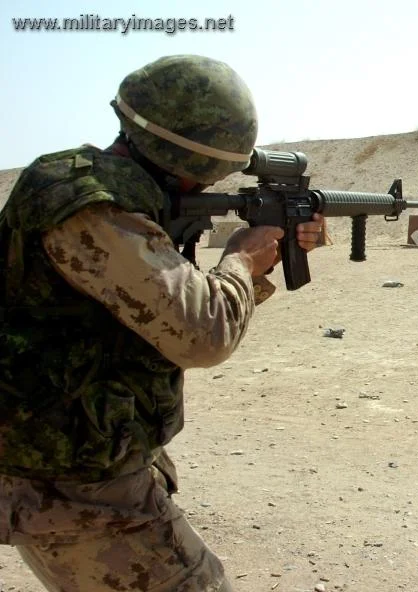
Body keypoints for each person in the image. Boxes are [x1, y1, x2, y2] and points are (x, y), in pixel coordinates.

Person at [0, 54, 324, 591]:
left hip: (69, 460)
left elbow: (157, 309)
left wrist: (265, 260)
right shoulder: (97, 208)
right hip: (71, 482)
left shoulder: (98, 191)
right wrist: (242, 259)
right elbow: (201, 336)